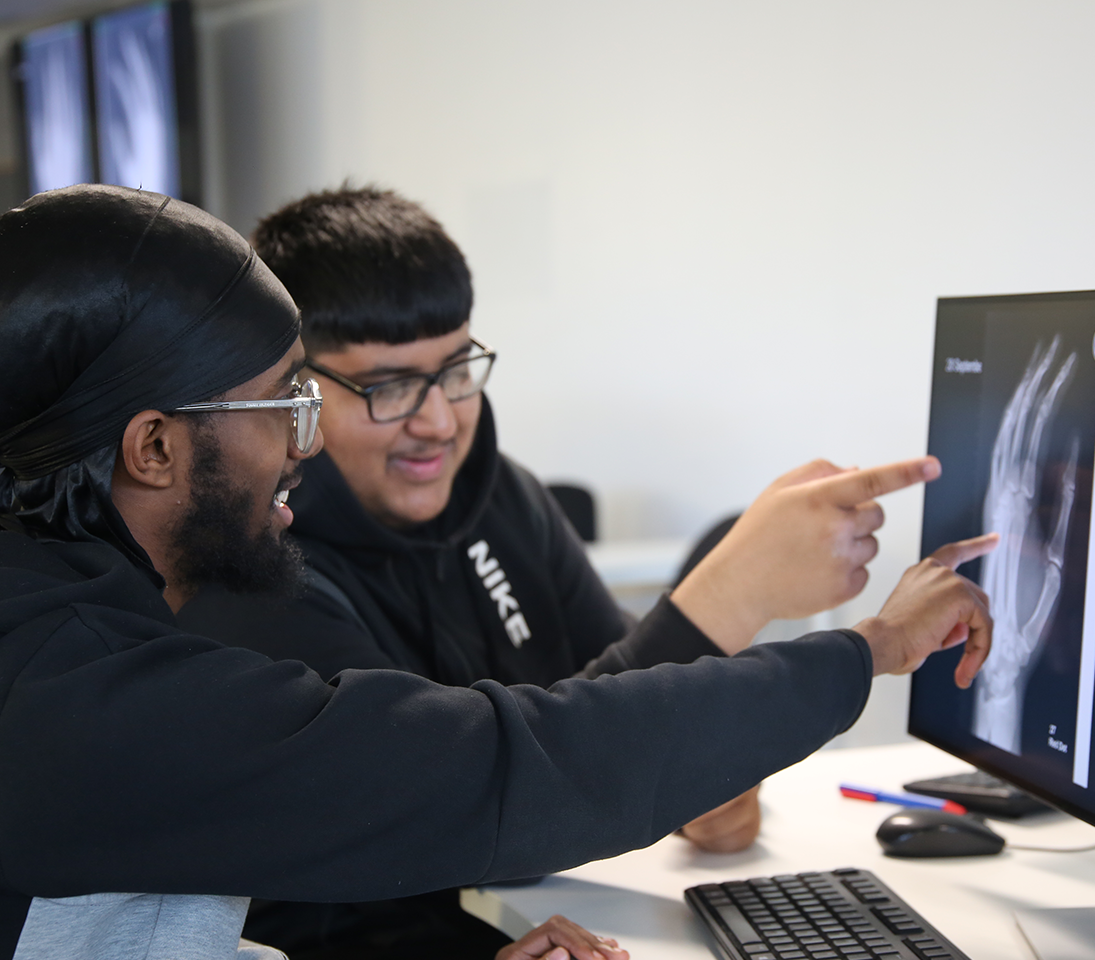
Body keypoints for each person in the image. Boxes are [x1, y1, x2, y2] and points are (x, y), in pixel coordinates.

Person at [0, 184, 993, 960]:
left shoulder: (68, 618)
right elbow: (489, 770)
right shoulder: (84, 687)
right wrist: (862, 651)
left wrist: (701, 755)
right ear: (155, 449)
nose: (297, 446)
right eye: (281, 408)